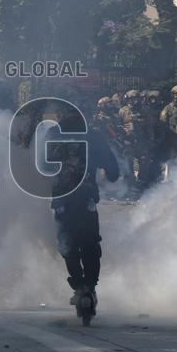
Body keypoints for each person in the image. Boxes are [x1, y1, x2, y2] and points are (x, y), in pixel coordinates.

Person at [49, 112, 120, 325]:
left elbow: (38, 168)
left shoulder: (53, 135)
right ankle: (88, 287)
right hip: (86, 200)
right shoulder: (92, 136)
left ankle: (81, 287)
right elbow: (113, 170)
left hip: (63, 201)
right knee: (90, 244)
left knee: (68, 245)